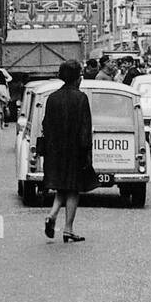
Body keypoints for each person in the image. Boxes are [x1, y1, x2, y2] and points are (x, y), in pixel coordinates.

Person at [40, 60, 96, 244]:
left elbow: (45, 125)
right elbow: (85, 129)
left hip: (55, 150)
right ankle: (68, 229)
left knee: (61, 186)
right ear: (76, 78)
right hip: (74, 150)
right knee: (73, 189)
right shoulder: (81, 98)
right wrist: (87, 152)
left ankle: (52, 214)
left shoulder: (52, 97)